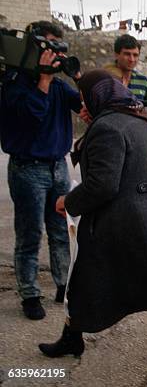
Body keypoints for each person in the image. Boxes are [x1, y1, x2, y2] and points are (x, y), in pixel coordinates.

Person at [38, 70, 147, 366]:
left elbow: (103, 184)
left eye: (84, 98)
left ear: (96, 97)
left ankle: (72, 337)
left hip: (125, 218)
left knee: (84, 276)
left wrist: (69, 201)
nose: (82, 104)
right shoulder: (142, 118)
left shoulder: (107, 127)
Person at [0, 20, 88, 320]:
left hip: (58, 167)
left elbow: (88, 109)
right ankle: (29, 293)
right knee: (29, 234)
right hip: (27, 169)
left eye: (58, 47)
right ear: (34, 45)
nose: (54, 52)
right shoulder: (13, 83)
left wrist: (78, 78)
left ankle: (63, 284)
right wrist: (44, 79)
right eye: (49, 45)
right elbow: (29, 115)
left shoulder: (61, 87)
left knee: (62, 232)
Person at [104, 34, 147, 122]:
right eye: (127, 54)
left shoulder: (142, 81)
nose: (132, 59)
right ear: (116, 55)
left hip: (136, 131)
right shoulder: (104, 79)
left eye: (135, 55)